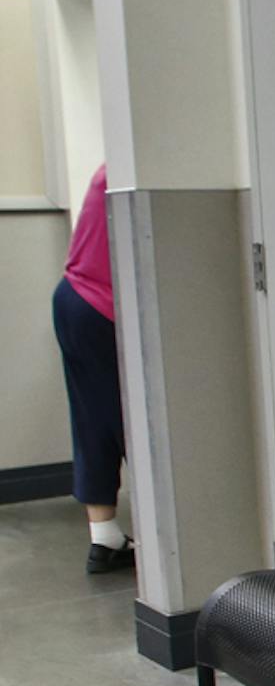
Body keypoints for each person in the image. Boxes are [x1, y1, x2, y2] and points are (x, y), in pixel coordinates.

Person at [51, 164, 133, 574]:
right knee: (133, 426)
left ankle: (105, 538)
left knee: (93, 422)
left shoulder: (109, 167)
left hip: (73, 299)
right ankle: (167, 552)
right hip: (102, 310)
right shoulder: (134, 164)